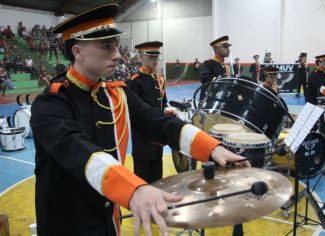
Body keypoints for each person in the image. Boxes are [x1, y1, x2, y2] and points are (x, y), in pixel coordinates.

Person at [30, 4, 249, 236]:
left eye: (115, 45)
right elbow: (78, 151)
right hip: (66, 222)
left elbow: (158, 122)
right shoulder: (50, 104)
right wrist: (133, 189)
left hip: (107, 216)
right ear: (77, 51)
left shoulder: (116, 93)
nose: (116, 54)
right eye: (106, 46)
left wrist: (212, 148)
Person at [127, 41, 171, 183]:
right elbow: (133, 113)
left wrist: (167, 111)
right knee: (142, 179)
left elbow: (163, 102)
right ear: (141, 57)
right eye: (150, 57)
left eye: (156, 57)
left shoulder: (159, 79)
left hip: (158, 137)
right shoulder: (134, 81)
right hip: (142, 139)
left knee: (158, 177)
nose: (155, 60)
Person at [305, 54, 325, 136]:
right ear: (319, 62)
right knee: (313, 125)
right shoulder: (314, 74)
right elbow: (322, 89)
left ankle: (323, 137)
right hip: (313, 102)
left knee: (322, 122)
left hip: (321, 100)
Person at [199, 35, 232, 101]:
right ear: (216, 48)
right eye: (225, 47)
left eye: (228, 47)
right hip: (209, 102)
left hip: (221, 100)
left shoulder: (226, 66)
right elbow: (205, 78)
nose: (228, 49)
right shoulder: (208, 63)